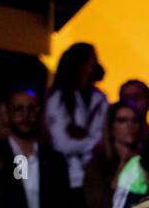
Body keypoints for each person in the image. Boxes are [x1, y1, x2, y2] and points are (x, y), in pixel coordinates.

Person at [45, 43, 109, 191]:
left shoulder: (100, 98)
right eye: (88, 61)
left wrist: (84, 138)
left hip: (95, 175)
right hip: (65, 177)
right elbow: (62, 143)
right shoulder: (59, 98)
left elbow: (104, 136)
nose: (92, 66)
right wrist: (93, 144)